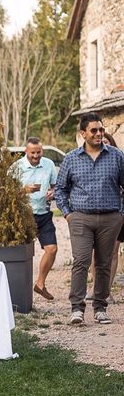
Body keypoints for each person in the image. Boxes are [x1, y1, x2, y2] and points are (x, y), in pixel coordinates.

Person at [55, 112, 124, 325]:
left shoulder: (116, 156)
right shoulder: (71, 159)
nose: (98, 134)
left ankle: (100, 307)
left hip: (110, 218)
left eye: (101, 129)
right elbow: (60, 189)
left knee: (103, 264)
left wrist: (120, 214)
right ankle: (77, 308)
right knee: (81, 261)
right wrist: (67, 213)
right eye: (94, 130)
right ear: (83, 133)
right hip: (80, 219)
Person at [16, 137, 57, 301]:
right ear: (26, 151)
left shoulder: (49, 164)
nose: (35, 155)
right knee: (20, 253)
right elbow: (5, 191)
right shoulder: (17, 167)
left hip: (44, 214)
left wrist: (53, 192)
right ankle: (18, 290)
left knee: (52, 249)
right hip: (23, 215)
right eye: (32, 152)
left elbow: (55, 186)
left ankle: (40, 284)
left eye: (38, 152)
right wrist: (24, 190)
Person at [88, 132, 123, 300]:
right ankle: (95, 288)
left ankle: (107, 290)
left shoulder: (119, 161)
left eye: (107, 142)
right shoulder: (91, 162)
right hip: (98, 213)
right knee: (97, 253)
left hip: (119, 212)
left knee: (113, 252)